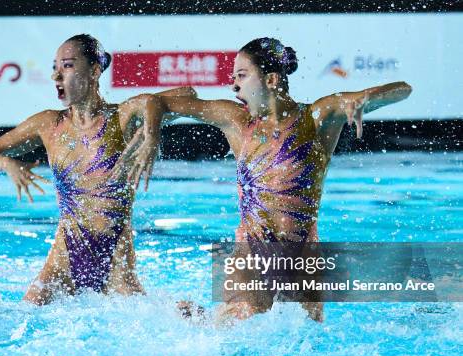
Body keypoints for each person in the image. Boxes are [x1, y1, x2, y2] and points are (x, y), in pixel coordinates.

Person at [123, 37, 412, 322]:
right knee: (231, 336)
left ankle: (197, 317)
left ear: (271, 80)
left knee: (306, 342)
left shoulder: (316, 117)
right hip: (251, 248)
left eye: (242, 75)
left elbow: (403, 90)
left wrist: (363, 99)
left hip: (302, 253)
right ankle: (197, 319)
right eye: (233, 77)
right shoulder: (236, 121)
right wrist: (151, 132)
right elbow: (154, 102)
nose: (234, 85)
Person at [0, 34, 191, 305]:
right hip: (63, 259)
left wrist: (151, 132)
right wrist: (7, 163)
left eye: (67, 66)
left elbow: (186, 94)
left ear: (95, 71)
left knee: (164, 320)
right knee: (21, 317)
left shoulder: (122, 118)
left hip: (115, 262)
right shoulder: (49, 124)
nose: (56, 76)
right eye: (55, 67)